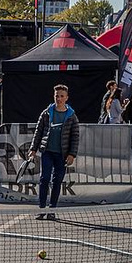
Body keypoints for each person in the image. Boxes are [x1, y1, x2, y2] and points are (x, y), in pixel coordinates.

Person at [27, 84, 80, 220]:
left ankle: (52, 209)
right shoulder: (46, 113)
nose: (59, 98)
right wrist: (33, 149)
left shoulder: (72, 116)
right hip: (47, 152)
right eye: (57, 96)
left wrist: (72, 154)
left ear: (67, 98)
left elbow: (75, 136)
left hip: (62, 154)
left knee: (57, 181)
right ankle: (42, 208)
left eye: (62, 96)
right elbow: (38, 132)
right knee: (44, 179)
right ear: (54, 96)